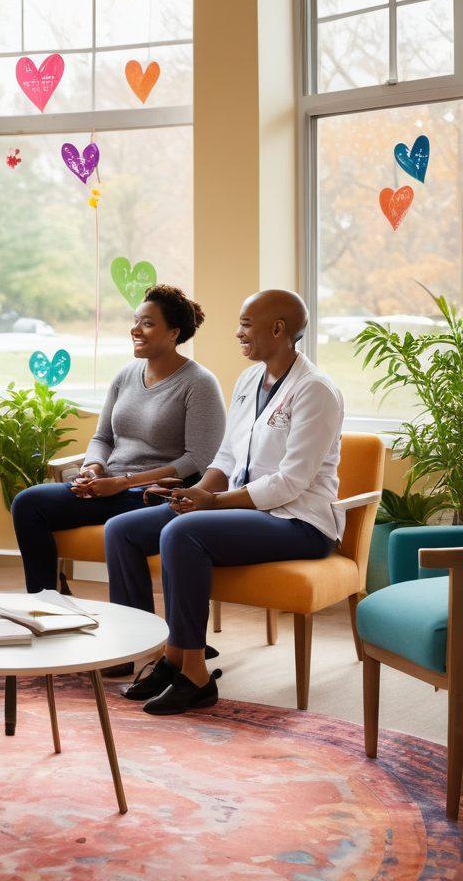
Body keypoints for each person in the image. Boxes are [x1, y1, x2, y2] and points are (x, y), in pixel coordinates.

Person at [105, 289, 345, 715]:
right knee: (123, 530)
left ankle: (193, 673)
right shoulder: (250, 380)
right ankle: (157, 656)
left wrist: (214, 503)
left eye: (246, 325)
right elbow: (229, 456)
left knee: (183, 531)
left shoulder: (316, 391)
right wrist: (200, 491)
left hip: (298, 521)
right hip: (241, 505)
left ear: (278, 329)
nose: (238, 333)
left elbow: (291, 482)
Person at [11, 285, 226, 595]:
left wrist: (125, 482)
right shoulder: (126, 375)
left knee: (121, 523)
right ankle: (48, 603)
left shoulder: (199, 383)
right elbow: (102, 436)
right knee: (29, 503)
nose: (135, 329)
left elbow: (197, 460)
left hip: (153, 495)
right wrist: (94, 468)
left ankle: (137, 631)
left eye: (148, 323)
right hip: (108, 489)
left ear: (173, 333)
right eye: (136, 320)